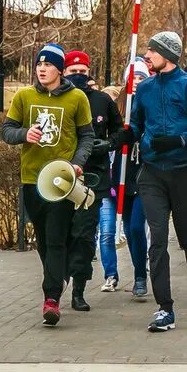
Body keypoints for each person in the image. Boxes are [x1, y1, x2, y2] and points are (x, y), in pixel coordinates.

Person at [118, 31, 187, 333]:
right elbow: (137, 124)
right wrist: (124, 135)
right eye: (147, 49)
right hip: (151, 172)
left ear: (169, 56)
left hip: (184, 170)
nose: (147, 55)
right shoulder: (145, 88)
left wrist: (180, 139)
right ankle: (165, 308)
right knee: (157, 240)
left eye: (153, 50)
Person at [0, 43, 95, 326]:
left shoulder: (77, 98)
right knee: (43, 239)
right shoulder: (24, 96)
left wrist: (77, 163)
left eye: (49, 64)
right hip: (31, 179)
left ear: (60, 70)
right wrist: (22, 134)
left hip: (62, 180)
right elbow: (6, 131)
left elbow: (87, 137)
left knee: (55, 238)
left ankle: (51, 299)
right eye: (39, 65)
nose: (42, 69)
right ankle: (60, 276)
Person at [62, 50, 124, 308]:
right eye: (72, 71)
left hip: (93, 177)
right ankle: (56, 283)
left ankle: (78, 289)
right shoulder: (57, 100)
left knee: (85, 235)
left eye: (82, 72)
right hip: (61, 176)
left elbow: (120, 130)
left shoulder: (101, 100)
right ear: (63, 72)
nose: (78, 76)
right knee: (62, 234)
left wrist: (109, 143)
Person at [112, 59, 151, 300]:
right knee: (128, 226)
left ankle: (140, 275)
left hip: (145, 172)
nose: (136, 82)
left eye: (141, 78)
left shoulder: (151, 103)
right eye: (133, 77)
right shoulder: (118, 104)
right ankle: (138, 267)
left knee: (137, 226)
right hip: (123, 170)